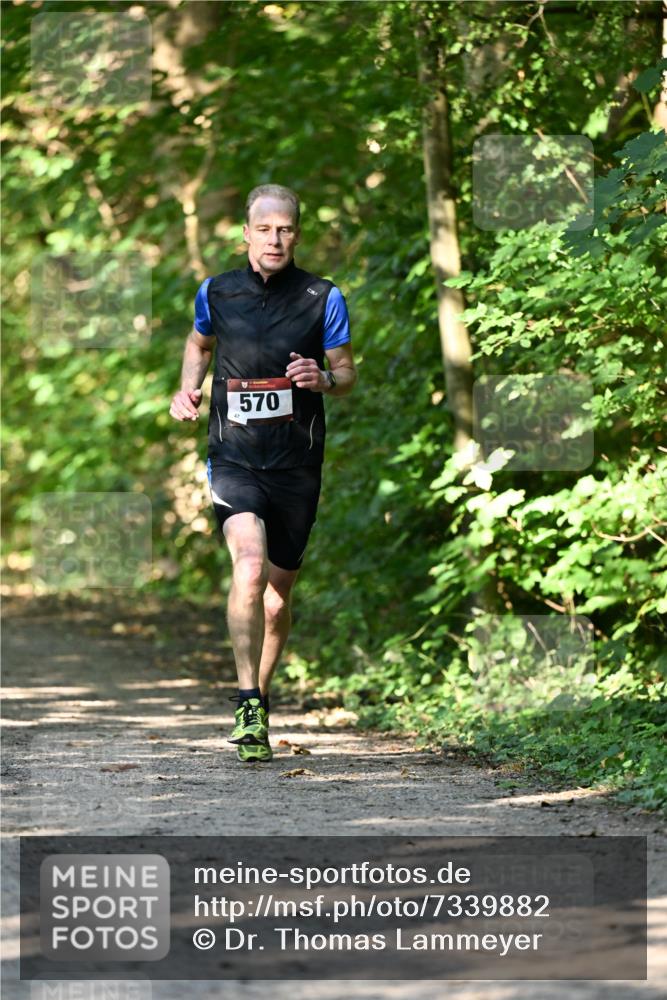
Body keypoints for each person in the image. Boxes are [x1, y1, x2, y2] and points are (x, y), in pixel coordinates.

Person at [169, 184, 357, 763]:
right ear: (246, 233)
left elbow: (346, 372)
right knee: (248, 566)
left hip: (297, 462)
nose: (276, 238)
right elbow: (198, 343)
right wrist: (188, 387)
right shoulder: (217, 291)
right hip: (234, 456)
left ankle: (263, 697)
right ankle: (246, 702)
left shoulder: (322, 295)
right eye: (265, 228)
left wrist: (323, 379)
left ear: (297, 235)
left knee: (277, 600)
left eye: (286, 229)